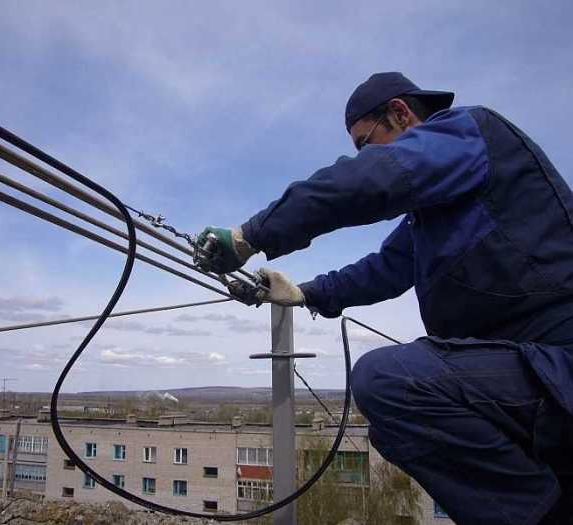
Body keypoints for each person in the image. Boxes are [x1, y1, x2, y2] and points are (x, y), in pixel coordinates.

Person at [196, 72, 573, 525]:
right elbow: (384, 269)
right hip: (520, 371)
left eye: (365, 142)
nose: (366, 155)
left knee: (389, 381)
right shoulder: (434, 217)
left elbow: (370, 179)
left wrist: (249, 236)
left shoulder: (470, 132)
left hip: (558, 354)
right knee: (392, 423)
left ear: (400, 113)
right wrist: (304, 293)